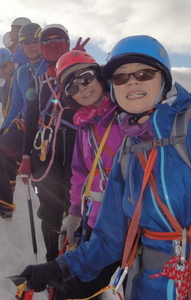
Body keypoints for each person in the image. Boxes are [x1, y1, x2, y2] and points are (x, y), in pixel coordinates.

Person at [19, 35, 191, 299]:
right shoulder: (129, 148)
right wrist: (60, 267)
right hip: (147, 286)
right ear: (113, 87)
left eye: (144, 73)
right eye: (120, 77)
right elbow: (110, 237)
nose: (132, 81)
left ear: (164, 79)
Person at [51, 49, 124, 299]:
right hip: (95, 222)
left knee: (79, 287)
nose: (82, 88)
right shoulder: (84, 126)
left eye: (85, 77)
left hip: (127, 225)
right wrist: (73, 213)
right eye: (71, 86)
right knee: (76, 287)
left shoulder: (125, 115)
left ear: (100, 75)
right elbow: (80, 172)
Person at [18, 24, 76, 262]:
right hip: (45, 155)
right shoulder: (39, 82)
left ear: (68, 44)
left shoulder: (82, 75)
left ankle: (75, 266)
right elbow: (31, 120)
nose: (53, 44)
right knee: (50, 211)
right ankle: (53, 262)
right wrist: (25, 157)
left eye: (58, 39)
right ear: (42, 48)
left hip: (77, 155)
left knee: (76, 211)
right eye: (48, 40)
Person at [0, 23, 46, 218]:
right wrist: (4, 130)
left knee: (47, 181)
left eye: (35, 41)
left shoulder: (51, 66)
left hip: (49, 130)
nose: (31, 45)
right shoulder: (22, 74)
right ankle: (4, 199)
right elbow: (15, 106)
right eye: (26, 42)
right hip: (25, 127)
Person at [0, 48, 15, 121]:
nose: (1, 70)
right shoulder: (0, 81)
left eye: (4, 66)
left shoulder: (21, 77)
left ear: (12, 62)